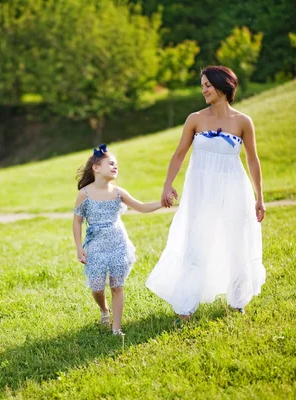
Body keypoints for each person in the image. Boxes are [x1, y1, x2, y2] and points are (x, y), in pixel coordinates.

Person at [145, 66, 266, 326]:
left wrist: (259, 196)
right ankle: (185, 309)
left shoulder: (243, 122)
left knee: (237, 243)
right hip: (201, 190)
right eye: (202, 85)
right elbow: (179, 154)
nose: (204, 89)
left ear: (224, 86)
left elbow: (253, 161)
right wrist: (167, 184)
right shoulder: (195, 119)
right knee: (195, 244)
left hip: (235, 189)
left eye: (208, 84)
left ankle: (237, 302)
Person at [73, 144, 162, 336]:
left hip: (118, 244)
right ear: (96, 168)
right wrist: (79, 248)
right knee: (96, 286)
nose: (115, 167)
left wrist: (162, 202)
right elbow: (77, 221)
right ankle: (104, 310)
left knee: (117, 286)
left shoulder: (119, 192)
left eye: (116, 165)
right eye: (111, 163)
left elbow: (142, 207)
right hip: (96, 245)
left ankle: (116, 328)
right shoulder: (84, 194)